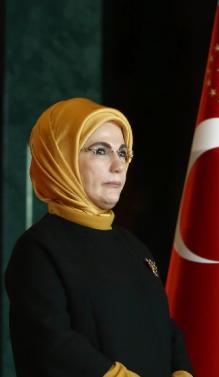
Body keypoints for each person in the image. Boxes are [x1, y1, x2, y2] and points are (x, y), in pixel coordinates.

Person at [5, 98, 194, 377]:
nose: (118, 166)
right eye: (101, 151)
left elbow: (164, 329)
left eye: (123, 152)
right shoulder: (39, 249)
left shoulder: (135, 249)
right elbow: (51, 345)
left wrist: (182, 372)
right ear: (61, 158)